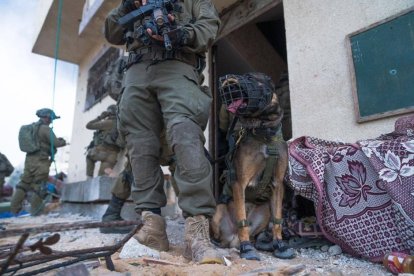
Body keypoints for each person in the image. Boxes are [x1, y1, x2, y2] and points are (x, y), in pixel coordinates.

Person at [104, 0, 222, 264]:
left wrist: (183, 34)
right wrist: (127, 7)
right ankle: (152, 228)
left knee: (186, 135)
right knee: (139, 145)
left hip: (178, 66)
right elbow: (111, 32)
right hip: (136, 72)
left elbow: (208, 28)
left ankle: (197, 232)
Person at [10, 108, 66, 216]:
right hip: (41, 160)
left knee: (24, 183)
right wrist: (63, 141)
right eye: (51, 118)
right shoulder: (46, 129)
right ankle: (37, 211)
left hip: (30, 159)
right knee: (39, 185)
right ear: (46, 117)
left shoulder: (32, 128)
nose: (51, 121)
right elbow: (57, 143)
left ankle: (14, 208)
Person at [85, 105, 122, 179]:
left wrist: (100, 117)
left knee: (89, 156)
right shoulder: (121, 124)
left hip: (102, 151)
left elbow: (88, 125)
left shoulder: (107, 123)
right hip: (113, 156)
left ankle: (89, 179)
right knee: (101, 179)